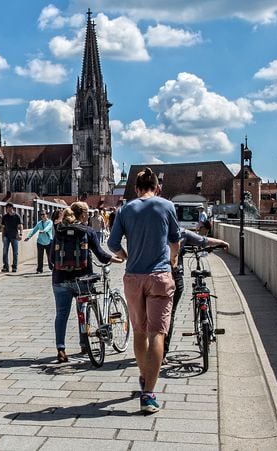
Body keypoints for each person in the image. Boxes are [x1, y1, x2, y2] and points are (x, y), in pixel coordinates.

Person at [107, 168, 180, 414]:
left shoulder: (125, 209)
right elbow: (175, 239)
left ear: (136, 189)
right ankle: (148, 394)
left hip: (134, 277)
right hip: (160, 276)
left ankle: (143, 375)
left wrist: (125, 256)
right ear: (157, 188)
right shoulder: (166, 206)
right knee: (157, 333)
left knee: (139, 331)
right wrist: (174, 259)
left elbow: (112, 244)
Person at [50, 201, 123, 363]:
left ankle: (61, 349)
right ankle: (85, 344)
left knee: (61, 315)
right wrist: (120, 260)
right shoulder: (88, 231)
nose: (88, 216)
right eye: (87, 213)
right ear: (82, 215)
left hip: (60, 279)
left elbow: (51, 260)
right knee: (84, 310)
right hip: (83, 279)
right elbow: (101, 255)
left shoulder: (59, 231)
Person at [164, 229, 229, 357]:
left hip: (152, 274)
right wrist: (222, 242)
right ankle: (162, 354)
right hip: (173, 275)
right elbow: (203, 241)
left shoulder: (154, 232)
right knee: (169, 313)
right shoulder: (181, 232)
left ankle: (151, 350)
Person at [0, 203, 23, 272]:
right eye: (7, 208)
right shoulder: (4, 217)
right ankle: (6, 267)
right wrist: (2, 236)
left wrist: (21, 234)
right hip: (6, 236)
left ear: (12, 208)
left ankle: (14, 267)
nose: (7, 209)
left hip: (14, 236)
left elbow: (20, 226)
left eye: (9, 208)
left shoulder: (17, 216)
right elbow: (3, 228)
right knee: (5, 252)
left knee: (15, 252)